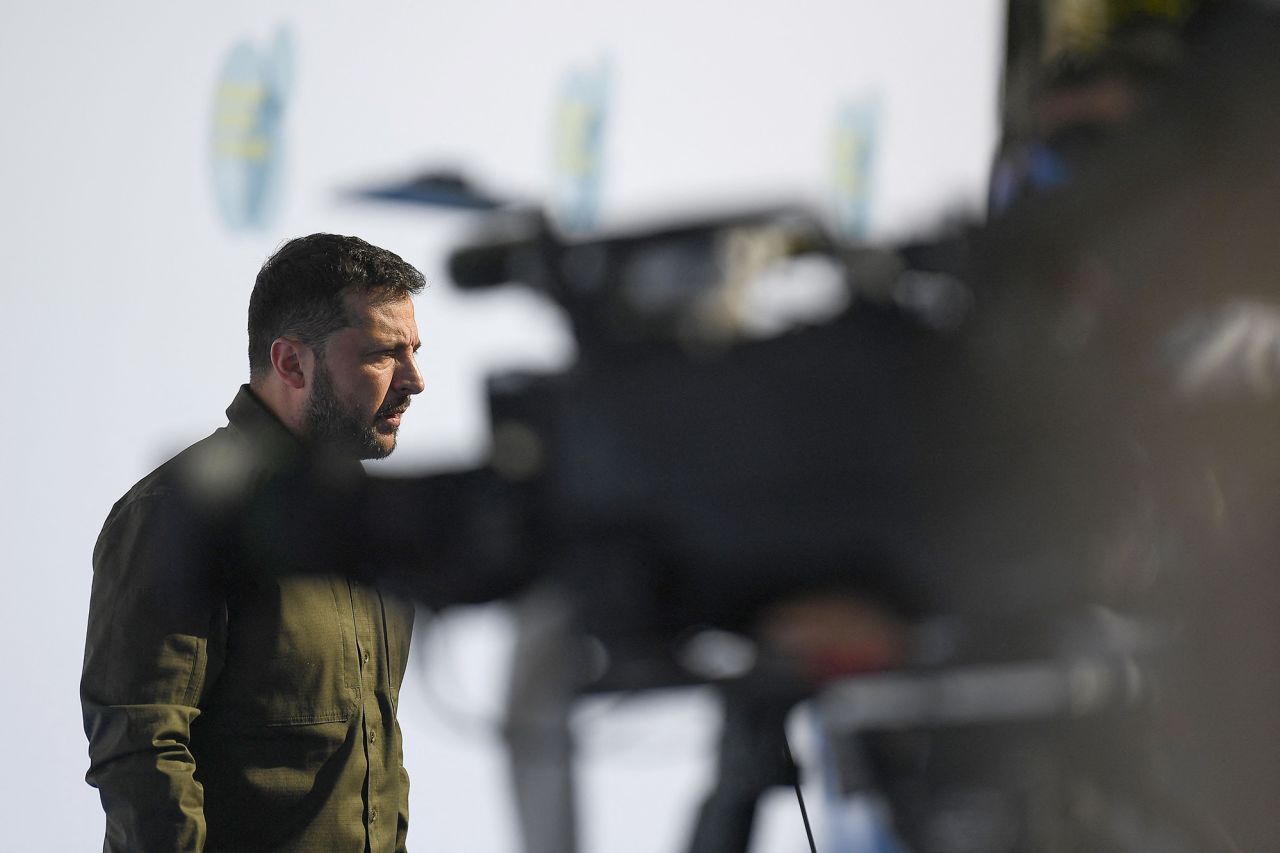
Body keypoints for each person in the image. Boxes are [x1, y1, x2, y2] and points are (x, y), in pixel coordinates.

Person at [81, 233, 427, 852]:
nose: (415, 380)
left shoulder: (367, 521)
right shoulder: (180, 514)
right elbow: (142, 749)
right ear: (291, 362)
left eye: (414, 351)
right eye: (382, 354)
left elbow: (374, 759)